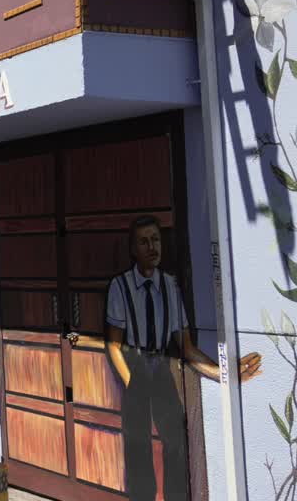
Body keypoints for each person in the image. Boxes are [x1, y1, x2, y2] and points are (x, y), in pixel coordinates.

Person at [105, 215, 262, 501]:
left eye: (155, 239)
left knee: (176, 442)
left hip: (163, 367)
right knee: (138, 447)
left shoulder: (170, 286)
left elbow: (187, 348)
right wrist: (131, 383)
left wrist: (224, 373)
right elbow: (114, 346)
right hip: (135, 368)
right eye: (144, 241)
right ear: (133, 249)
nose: (152, 246)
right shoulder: (121, 286)